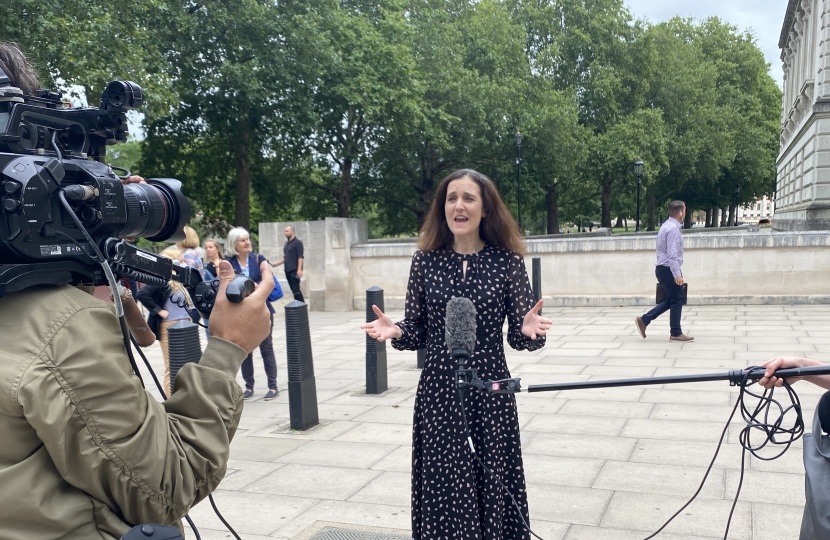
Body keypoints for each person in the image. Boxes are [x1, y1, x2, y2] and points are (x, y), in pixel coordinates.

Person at [360, 169, 552, 539]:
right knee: (444, 483)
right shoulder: (425, 262)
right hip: (438, 394)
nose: (458, 206)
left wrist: (529, 330)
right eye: (451, 198)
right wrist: (397, 330)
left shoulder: (507, 262)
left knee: (491, 481)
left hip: (489, 392)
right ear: (442, 208)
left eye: (468, 198)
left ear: (485, 210)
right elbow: (417, 328)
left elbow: (519, 334)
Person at [136, 247, 199, 396]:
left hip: (187, 323)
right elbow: (142, 294)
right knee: (172, 366)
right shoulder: (162, 280)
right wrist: (159, 311)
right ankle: (171, 399)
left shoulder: (180, 280)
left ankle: (187, 397)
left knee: (190, 363)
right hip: (170, 325)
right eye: (179, 260)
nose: (182, 262)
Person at [226, 227, 279, 400]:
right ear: (234, 244)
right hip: (240, 313)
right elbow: (225, 285)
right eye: (243, 240)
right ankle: (249, 386)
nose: (247, 242)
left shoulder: (259, 259)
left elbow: (268, 278)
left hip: (263, 311)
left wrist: (256, 286)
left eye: (248, 239)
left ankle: (273, 386)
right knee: (245, 350)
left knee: (267, 348)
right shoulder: (228, 263)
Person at [635, 200, 694, 342]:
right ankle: (675, 332)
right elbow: (672, 254)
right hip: (668, 269)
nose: (685, 213)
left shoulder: (666, 226)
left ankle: (645, 320)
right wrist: (677, 274)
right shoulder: (673, 229)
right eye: (685, 210)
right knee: (677, 298)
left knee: (672, 299)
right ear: (680, 212)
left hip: (663, 269)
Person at [272, 225, 304, 302]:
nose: (285, 233)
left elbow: (300, 257)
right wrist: (277, 263)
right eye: (285, 231)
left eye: (287, 231)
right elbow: (285, 257)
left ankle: (301, 306)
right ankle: (297, 306)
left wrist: (299, 270)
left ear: (292, 232)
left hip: (294, 270)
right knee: (293, 290)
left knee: (296, 290)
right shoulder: (286, 244)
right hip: (287, 270)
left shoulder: (298, 243)